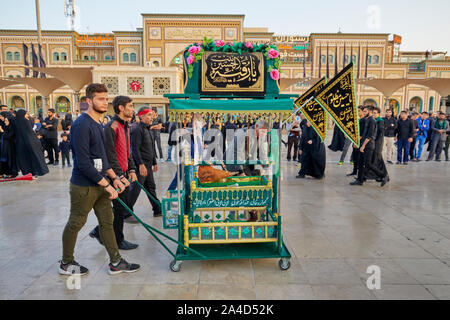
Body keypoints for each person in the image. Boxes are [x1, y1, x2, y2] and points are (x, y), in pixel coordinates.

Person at [60, 83, 140, 276]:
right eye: (100, 99)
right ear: (89, 101)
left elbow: (102, 159)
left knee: (107, 222)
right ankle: (66, 262)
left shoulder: (99, 124)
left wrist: (115, 178)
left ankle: (115, 262)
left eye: (106, 99)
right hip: (84, 186)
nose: (105, 102)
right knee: (76, 222)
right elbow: (83, 163)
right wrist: (107, 184)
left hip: (101, 184)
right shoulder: (81, 125)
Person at [89, 95, 139, 250]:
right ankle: (118, 240)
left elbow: (127, 152)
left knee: (118, 209)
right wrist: (119, 176)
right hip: (115, 176)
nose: (132, 109)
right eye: (130, 106)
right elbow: (110, 156)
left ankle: (99, 232)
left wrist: (131, 169)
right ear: (121, 108)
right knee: (118, 209)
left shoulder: (126, 126)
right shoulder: (111, 127)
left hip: (123, 173)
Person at [127, 106, 162, 219]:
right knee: (135, 190)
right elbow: (135, 149)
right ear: (141, 116)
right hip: (140, 166)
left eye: (152, 115)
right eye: (149, 115)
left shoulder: (148, 128)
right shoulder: (137, 129)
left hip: (148, 165)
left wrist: (154, 162)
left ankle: (157, 209)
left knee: (151, 187)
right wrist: (141, 164)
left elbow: (151, 147)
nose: (152, 117)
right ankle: (126, 213)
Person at [350, 106, 389, 186]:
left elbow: (370, 136)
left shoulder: (372, 121)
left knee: (368, 164)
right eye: (363, 111)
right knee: (360, 162)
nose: (363, 113)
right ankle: (360, 180)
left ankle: (383, 175)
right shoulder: (367, 120)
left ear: (370, 111)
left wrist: (363, 146)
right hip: (363, 144)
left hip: (368, 145)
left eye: (365, 111)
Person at [14, 109, 49, 177]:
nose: (27, 115)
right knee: (34, 157)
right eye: (26, 114)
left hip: (20, 144)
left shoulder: (16, 121)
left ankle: (27, 172)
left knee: (24, 159)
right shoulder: (25, 121)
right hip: (30, 142)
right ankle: (35, 171)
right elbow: (30, 133)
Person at [364, 107, 389, 185]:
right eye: (373, 113)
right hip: (374, 142)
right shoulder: (374, 121)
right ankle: (381, 175)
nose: (374, 114)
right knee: (378, 160)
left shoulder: (380, 122)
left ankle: (382, 175)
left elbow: (380, 132)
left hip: (377, 143)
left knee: (376, 159)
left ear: (379, 114)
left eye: (375, 113)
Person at [347, 106, 366, 176]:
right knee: (354, 157)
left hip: (359, 142)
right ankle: (354, 171)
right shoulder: (358, 120)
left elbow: (362, 133)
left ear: (363, 111)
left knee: (359, 158)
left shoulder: (364, 120)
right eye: (357, 111)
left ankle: (360, 173)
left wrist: (356, 142)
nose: (358, 112)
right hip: (355, 140)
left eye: (359, 111)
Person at [0, 111, 19, 178]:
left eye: (6, 121)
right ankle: (6, 172)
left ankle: (12, 173)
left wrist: (2, 131)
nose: (5, 122)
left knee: (11, 160)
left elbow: (8, 137)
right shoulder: (5, 126)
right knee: (6, 160)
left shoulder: (12, 128)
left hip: (11, 147)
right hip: (6, 146)